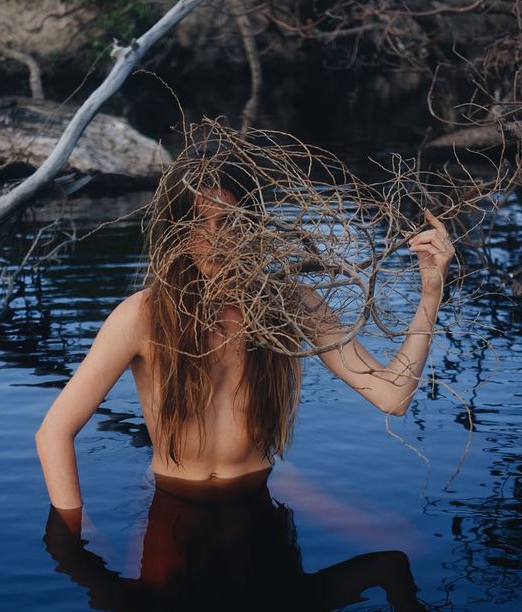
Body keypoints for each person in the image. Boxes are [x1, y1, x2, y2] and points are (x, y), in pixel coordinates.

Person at [35, 131, 455, 525]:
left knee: (400, 549)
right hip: (175, 497)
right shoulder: (143, 316)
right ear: (175, 232)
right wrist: (74, 532)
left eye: (230, 222)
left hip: (258, 488)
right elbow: (54, 431)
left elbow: (393, 395)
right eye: (198, 224)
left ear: (253, 223)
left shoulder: (288, 303)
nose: (215, 240)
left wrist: (431, 291)